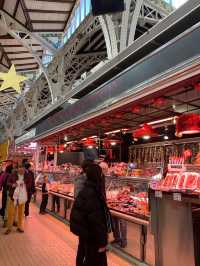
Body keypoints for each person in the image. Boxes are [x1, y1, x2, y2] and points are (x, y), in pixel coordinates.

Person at [70, 164, 112, 266]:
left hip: (86, 234)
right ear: (98, 175)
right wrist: (103, 242)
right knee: (96, 261)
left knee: (87, 257)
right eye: (101, 173)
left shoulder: (85, 190)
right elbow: (97, 221)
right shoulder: (93, 194)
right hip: (93, 237)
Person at [74, 160, 94, 266]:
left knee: (82, 245)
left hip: (81, 218)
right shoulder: (85, 181)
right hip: (85, 219)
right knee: (85, 245)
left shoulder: (80, 179)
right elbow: (81, 200)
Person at [5, 165, 27, 234]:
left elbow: (30, 184)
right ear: (17, 170)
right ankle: (9, 228)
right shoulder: (12, 175)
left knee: (21, 213)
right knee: (10, 212)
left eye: (23, 170)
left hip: (22, 197)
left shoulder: (26, 176)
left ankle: (19, 227)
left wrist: (25, 185)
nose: (22, 172)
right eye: (20, 170)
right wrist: (13, 185)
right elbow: (7, 183)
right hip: (13, 196)